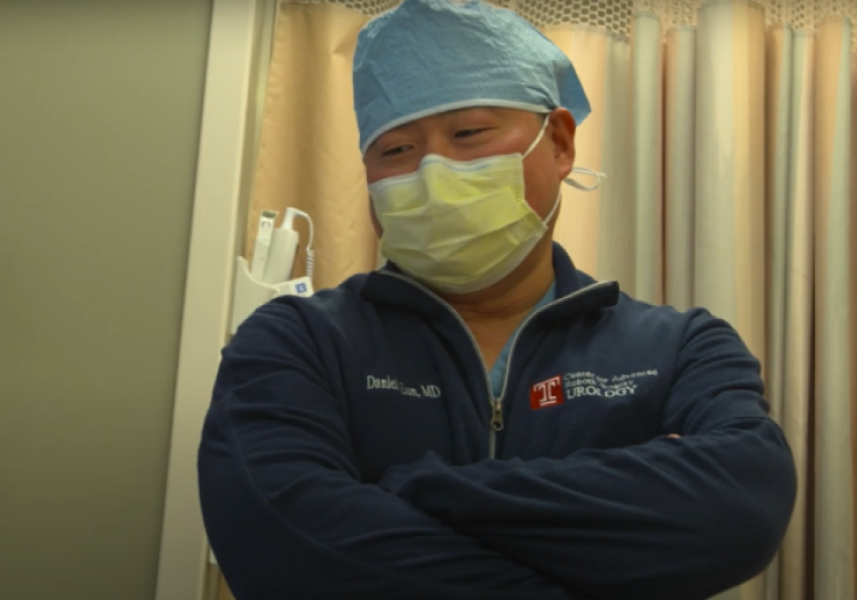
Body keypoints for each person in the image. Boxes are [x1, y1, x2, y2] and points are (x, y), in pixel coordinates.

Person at [198, 1, 797, 598]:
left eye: (469, 134)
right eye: (396, 151)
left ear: (560, 143)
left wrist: (416, 489)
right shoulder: (297, 342)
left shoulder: (680, 347)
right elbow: (284, 551)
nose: (433, 172)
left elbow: (742, 506)